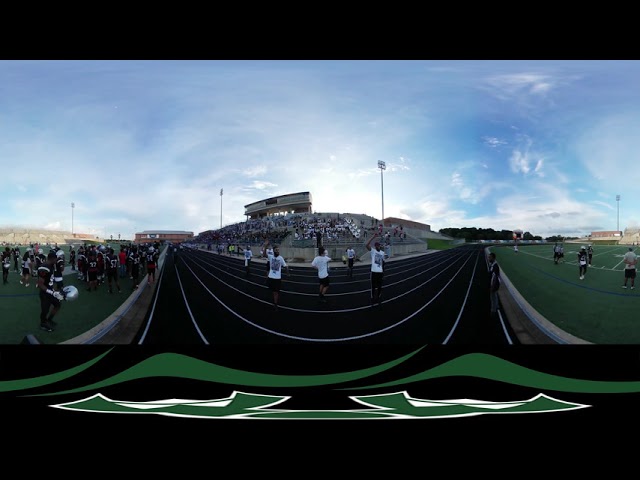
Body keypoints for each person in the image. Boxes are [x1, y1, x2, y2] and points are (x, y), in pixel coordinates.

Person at [37, 251, 66, 332]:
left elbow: (50, 281)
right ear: (52, 259)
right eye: (56, 259)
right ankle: (43, 324)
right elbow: (40, 284)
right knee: (45, 310)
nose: (56, 260)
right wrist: (52, 292)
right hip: (45, 294)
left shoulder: (51, 266)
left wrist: (54, 291)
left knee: (57, 304)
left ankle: (49, 320)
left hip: (50, 291)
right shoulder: (44, 267)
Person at [365, 233, 388, 307]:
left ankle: (378, 297)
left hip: (380, 272)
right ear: (375, 246)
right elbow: (366, 245)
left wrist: (383, 272)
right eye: (376, 245)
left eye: (379, 245)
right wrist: (373, 237)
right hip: (374, 272)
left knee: (379, 286)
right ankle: (372, 298)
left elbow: (384, 261)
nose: (378, 246)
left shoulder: (382, 253)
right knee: (373, 287)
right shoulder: (373, 251)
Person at [266, 244, 289, 310]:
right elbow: (264, 254)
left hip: (277, 279)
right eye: (276, 250)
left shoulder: (281, 258)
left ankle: (275, 304)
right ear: (273, 251)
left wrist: (287, 271)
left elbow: (285, 265)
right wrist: (265, 246)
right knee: (272, 290)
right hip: (270, 277)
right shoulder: (270, 257)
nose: (278, 251)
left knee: (276, 292)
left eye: (278, 250)